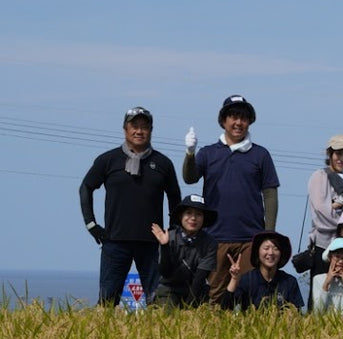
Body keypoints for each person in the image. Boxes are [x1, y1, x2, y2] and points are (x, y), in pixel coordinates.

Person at [183, 95, 281, 304]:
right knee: (215, 295)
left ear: (249, 122)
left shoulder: (260, 155)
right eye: (233, 117)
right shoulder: (209, 153)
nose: (238, 122)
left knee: (248, 294)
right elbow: (189, 178)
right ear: (224, 121)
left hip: (250, 237)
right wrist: (190, 153)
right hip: (214, 236)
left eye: (243, 118)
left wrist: (268, 233)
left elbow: (270, 193)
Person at [80, 106, 182, 304]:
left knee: (158, 302)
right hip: (115, 241)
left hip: (152, 243)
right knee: (108, 301)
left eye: (145, 127)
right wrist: (91, 224)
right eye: (134, 126)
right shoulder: (108, 160)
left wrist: (173, 231)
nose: (139, 131)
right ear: (125, 129)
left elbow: (175, 198)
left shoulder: (163, 163)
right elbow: (86, 187)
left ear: (151, 130)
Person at [302, 134, 343, 276]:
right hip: (325, 246)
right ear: (329, 154)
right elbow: (322, 213)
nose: (342, 159)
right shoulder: (320, 177)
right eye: (338, 154)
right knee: (321, 293)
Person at [149, 192, 218, 308]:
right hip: (169, 289)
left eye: (198, 214)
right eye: (188, 213)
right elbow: (165, 272)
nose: (193, 218)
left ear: (204, 219)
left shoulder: (210, 243)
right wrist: (165, 246)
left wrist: (188, 308)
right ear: (181, 216)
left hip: (196, 291)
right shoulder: (169, 237)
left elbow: (200, 278)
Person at [219, 230, 302, 311]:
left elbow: (297, 314)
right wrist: (234, 279)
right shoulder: (247, 279)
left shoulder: (290, 282)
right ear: (257, 252)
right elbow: (225, 308)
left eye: (275, 249)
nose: (270, 252)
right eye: (266, 248)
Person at [310, 238, 343, 315]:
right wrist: (326, 284)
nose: (341, 261)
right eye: (337, 257)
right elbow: (318, 311)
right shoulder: (318, 279)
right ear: (330, 258)